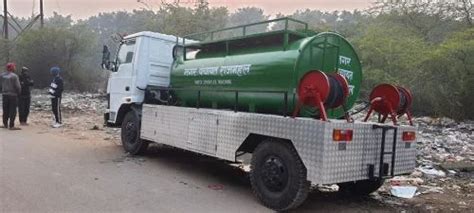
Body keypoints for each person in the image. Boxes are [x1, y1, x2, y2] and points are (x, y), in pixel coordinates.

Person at [1, 63, 22, 130]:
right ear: (12, 68)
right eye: (14, 67)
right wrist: (19, 93)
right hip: (13, 95)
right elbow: (18, 86)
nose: (15, 68)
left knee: (5, 109)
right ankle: (11, 125)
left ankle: (5, 124)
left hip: (4, 94)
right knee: (12, 110)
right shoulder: (14, 76)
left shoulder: (2, 75)